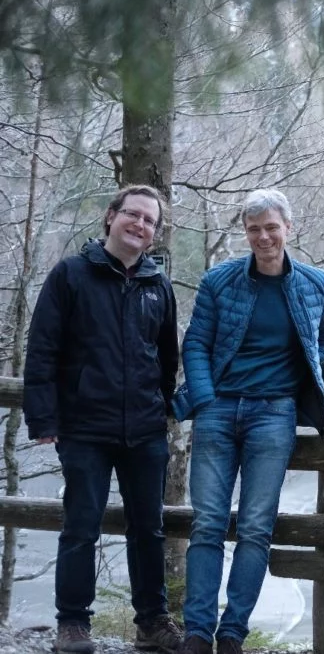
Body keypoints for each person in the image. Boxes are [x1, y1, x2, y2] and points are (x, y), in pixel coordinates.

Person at [174, 189, 324, 654]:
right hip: (219, 411)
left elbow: (323, 342)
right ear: (245, 233)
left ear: (288, 227)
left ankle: (232, 633)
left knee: (255, 526)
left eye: (271, 227)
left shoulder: (316, 283)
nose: (264, 237)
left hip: (274, 414)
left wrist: (290, 384)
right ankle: (197, 633)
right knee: (207, 523)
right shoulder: (220, 281)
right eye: (254, 229)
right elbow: (197, 344)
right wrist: (205, 402)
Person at [24, 185, 182, 654]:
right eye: (132, 214)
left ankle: (151, 621)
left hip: (146, 431)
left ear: (154, 234)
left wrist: (165, 410)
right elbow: (42, 350)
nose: (139, 224)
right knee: (81, 525)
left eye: (149, 221)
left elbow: (167, 357)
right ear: (111, 217)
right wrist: (43, 418)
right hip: (84, 428)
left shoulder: (158, 285)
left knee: (149, 529)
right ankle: (73, 624)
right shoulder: (71, 275)